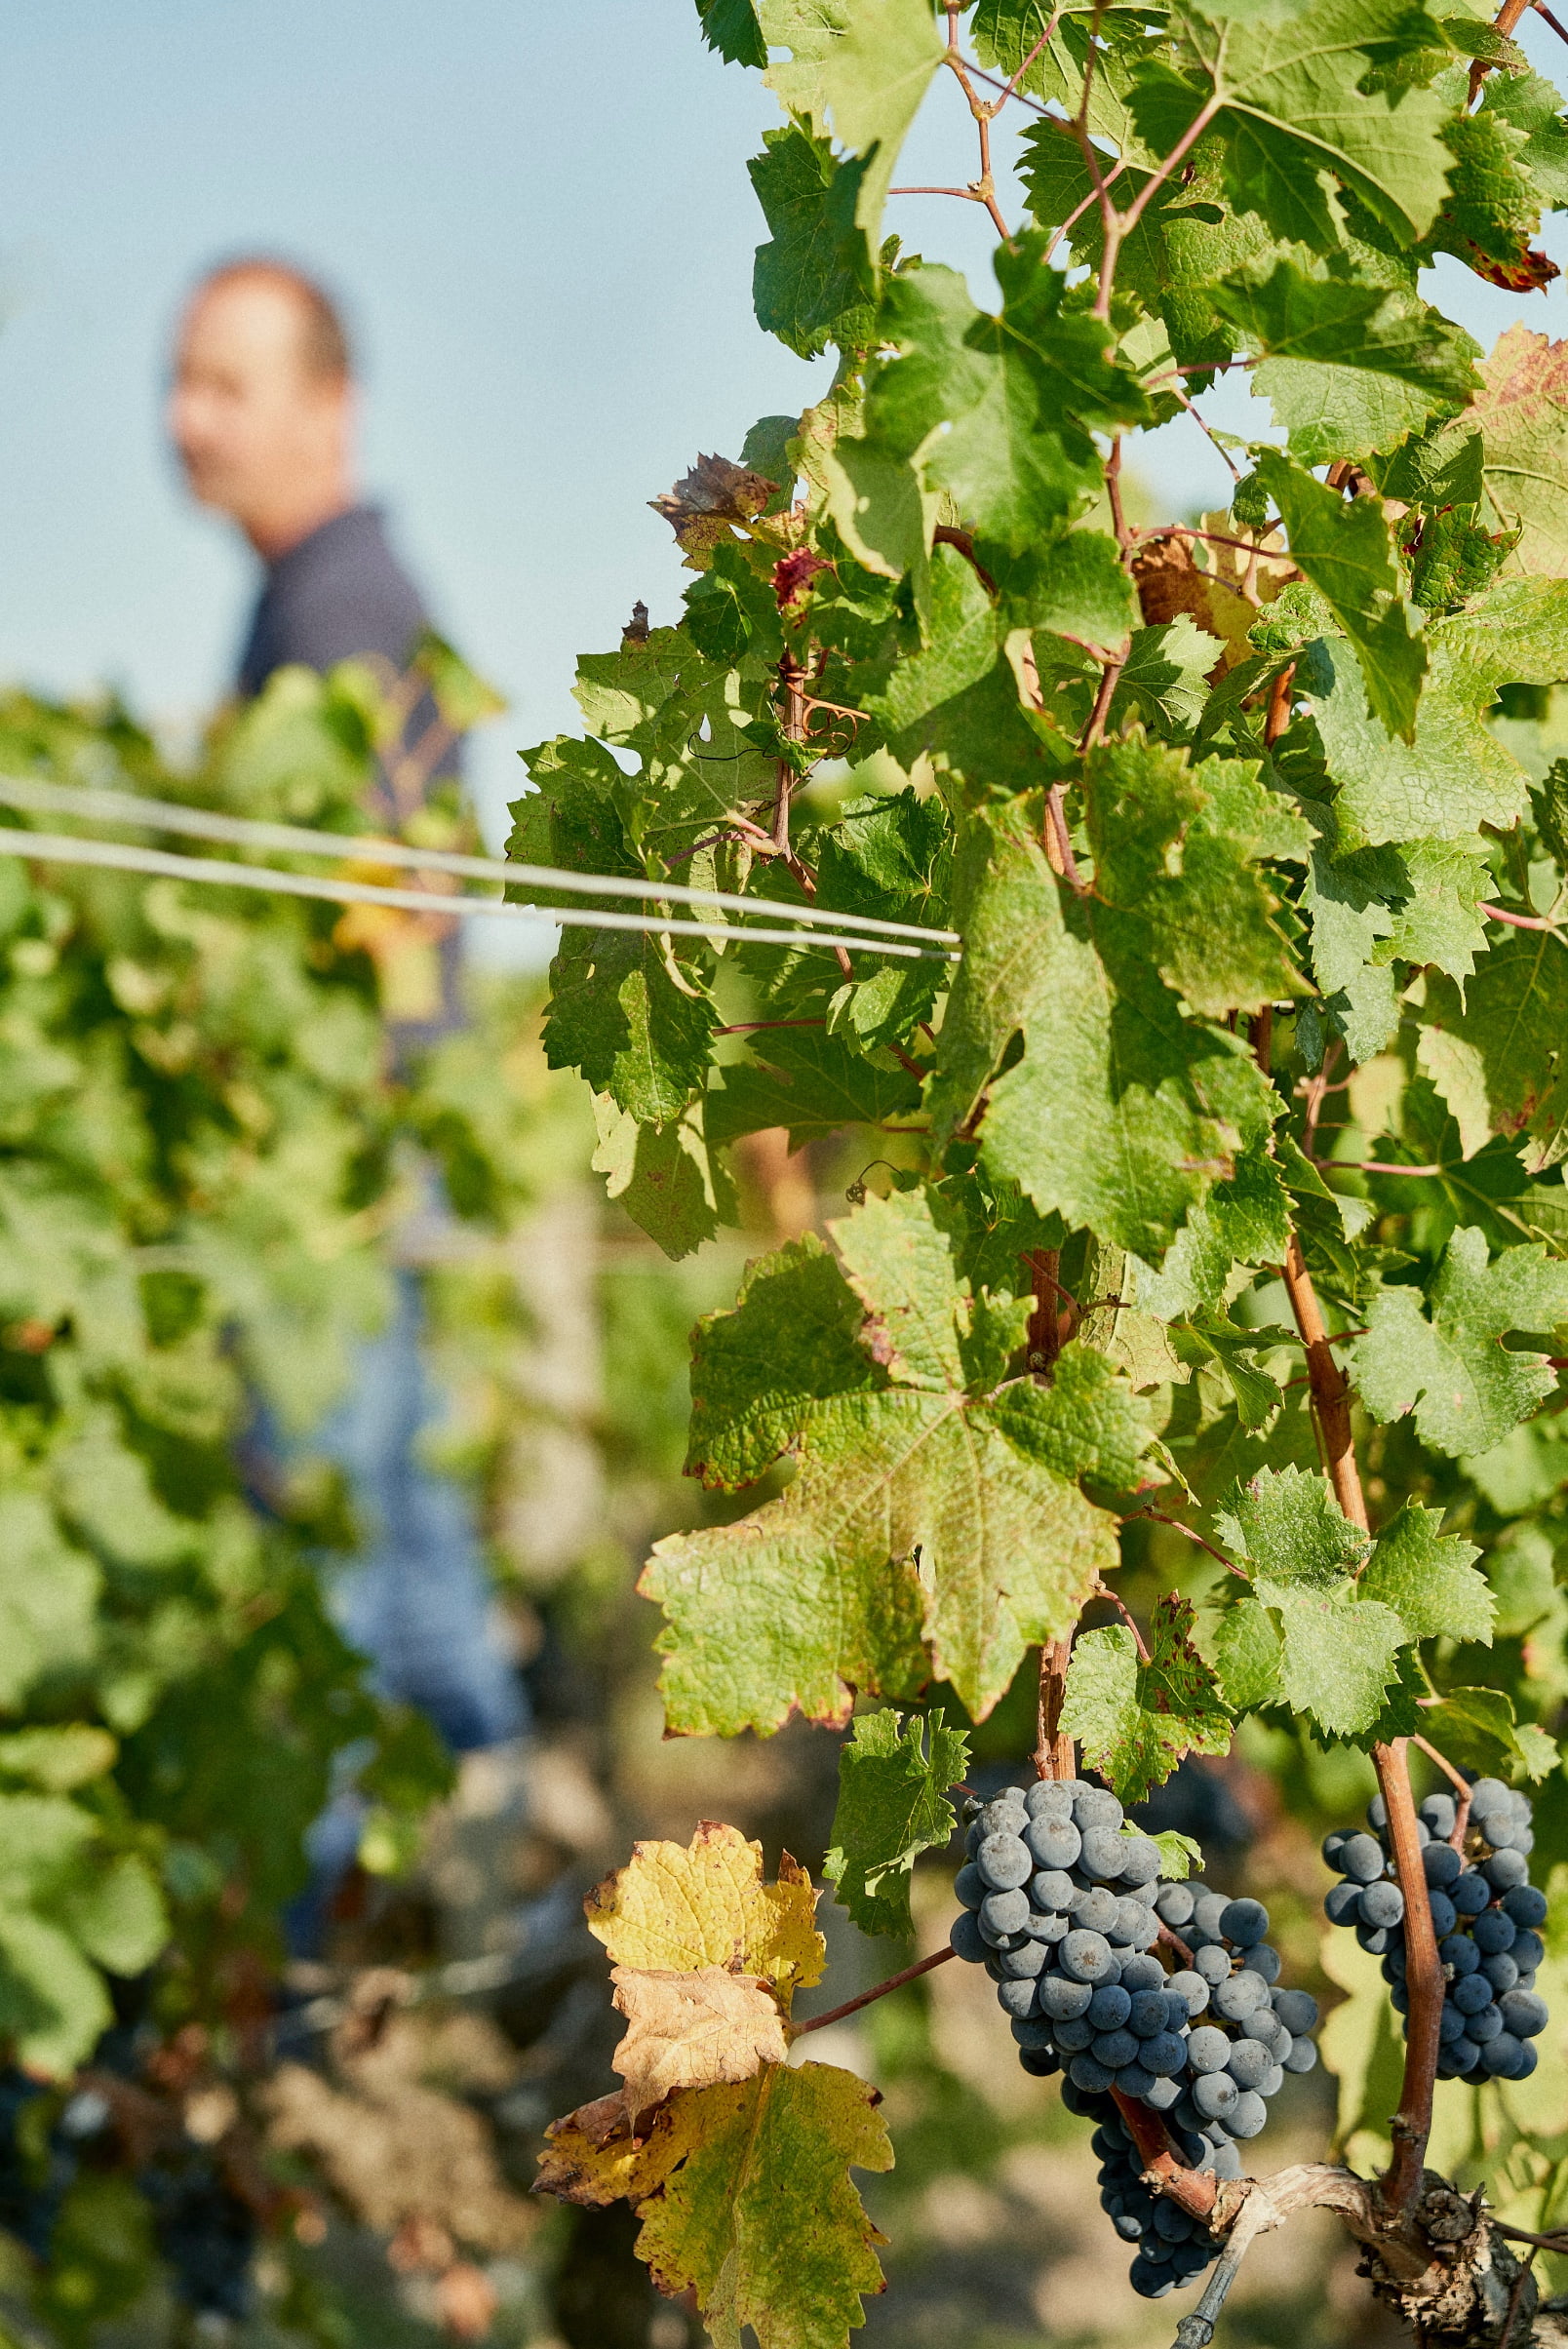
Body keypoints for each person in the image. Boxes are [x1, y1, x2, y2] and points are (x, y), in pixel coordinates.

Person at [169, 260, 528, 1942]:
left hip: (349, 1158)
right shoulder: (315, 598)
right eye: (182, 380)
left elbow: (391, 918)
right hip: (356, 1152)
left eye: (226, 383)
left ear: (331, 405)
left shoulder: (341, 609)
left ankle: (398, 1959)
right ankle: (490, 1948)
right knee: (398, 1547)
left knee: (352, 1563)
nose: (187, 419)